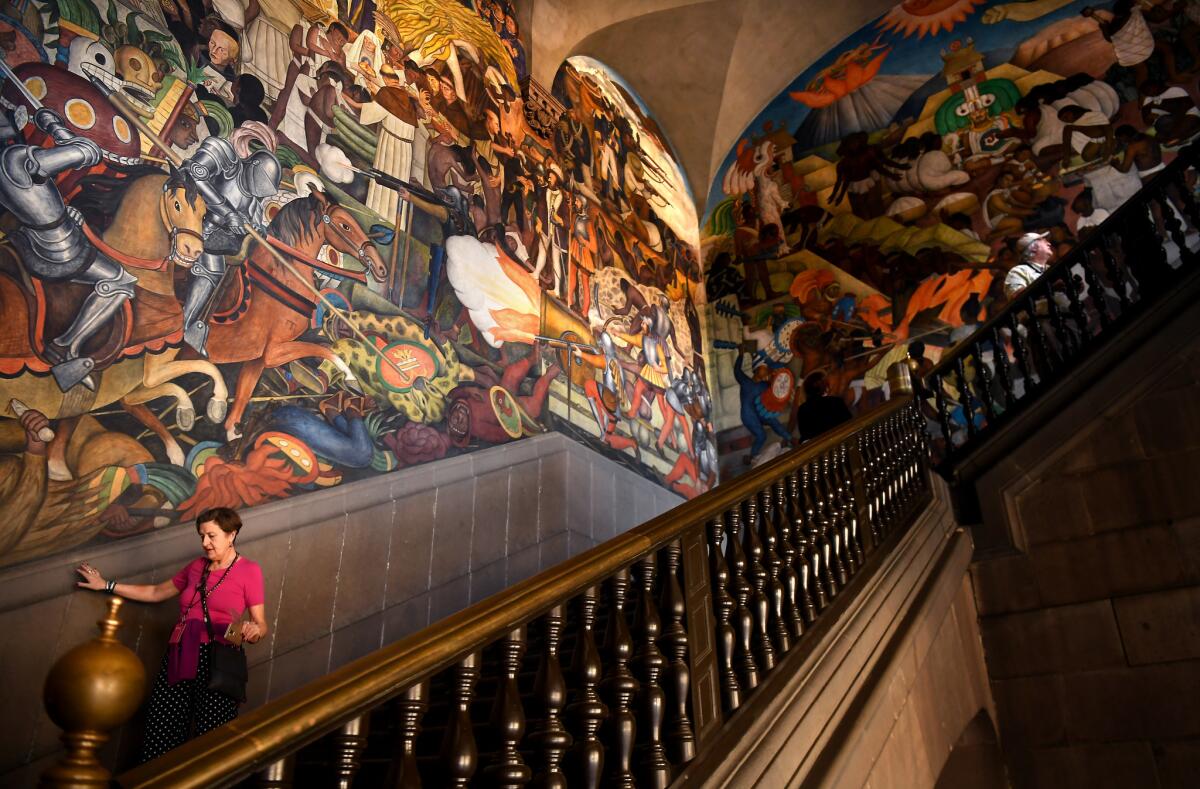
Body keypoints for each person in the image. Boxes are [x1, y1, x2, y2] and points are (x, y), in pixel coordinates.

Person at [75, 508, 266, 762]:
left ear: (231, 535)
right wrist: (106, 585)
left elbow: (260, 624)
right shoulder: (196, 567)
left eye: (212, 536)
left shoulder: (249, 571)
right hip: (180, 654)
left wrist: (254, 630)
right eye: (201, 536)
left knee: (213, 737)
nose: (205, 543)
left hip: (220, 657)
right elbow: (156, 592)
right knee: (161, 730)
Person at [795, 371, 853, 442]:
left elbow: (805, 436)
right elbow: (850, 424)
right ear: (825, 387)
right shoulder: (836, 401)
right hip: (839, 443)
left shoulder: (802, 409)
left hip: (815, 449)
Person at [1004, 231, 1054, 299]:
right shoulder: (1018, 271)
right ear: (1034, 248)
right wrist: (1050, 286)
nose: (1049, 243)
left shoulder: (1049, 268)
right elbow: (1016, 296)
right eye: (1044, 241)